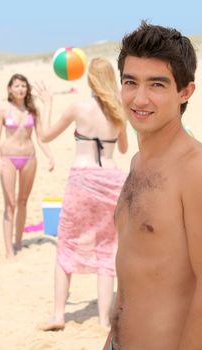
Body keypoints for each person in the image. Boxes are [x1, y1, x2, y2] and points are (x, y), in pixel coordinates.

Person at [102, 21, 202, 350]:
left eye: (157, 85)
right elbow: (133, 276)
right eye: (130, 82)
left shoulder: (194, 170)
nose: (139, 98)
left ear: (185, 91)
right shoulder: (137, 164)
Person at [36, 57, 128, 330]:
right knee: (106, 248)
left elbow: (45, 136)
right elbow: (122, 149)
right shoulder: (118, 109)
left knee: (66, 244)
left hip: (82, 179)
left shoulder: (78, 107)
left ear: (90, 79)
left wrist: (47, 106)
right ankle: (102, 319)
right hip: (111, 181)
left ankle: (58, 315)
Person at [0, 73, 54, 259]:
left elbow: (42, 137)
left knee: (23, 201)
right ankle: (8, 250)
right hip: (8, 158)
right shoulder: (3, 109)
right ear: (10, 88)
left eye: (23, 86)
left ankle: (18, 242)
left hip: (29, 158)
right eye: (17, 85)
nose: (20, 89)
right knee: (10, 204)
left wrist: (50, 155)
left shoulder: (32, 109)